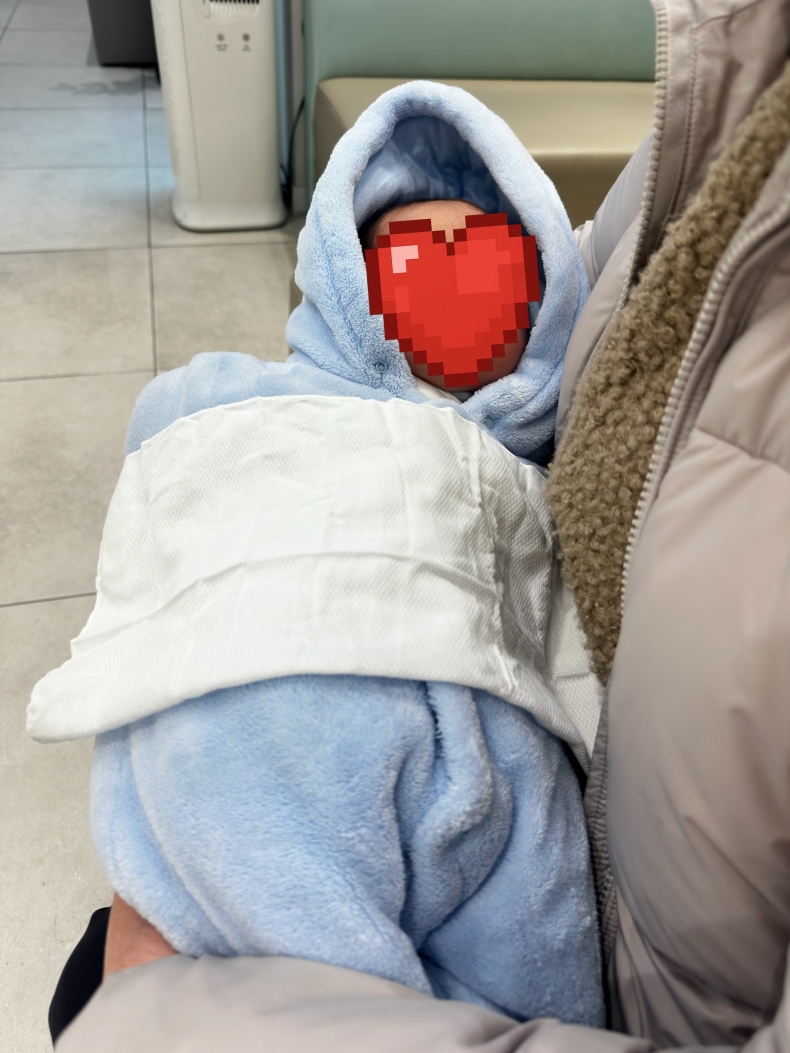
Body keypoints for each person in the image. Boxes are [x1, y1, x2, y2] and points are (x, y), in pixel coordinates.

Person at [33, 80, 610, 1034]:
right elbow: (169, 437)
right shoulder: (238, 395)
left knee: (511, 894)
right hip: (225, 703)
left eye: (488, 262)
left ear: (541, 312)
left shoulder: (519, 468)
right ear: (347, 282)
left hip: (432, 729)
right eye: (412, 257)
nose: (453, 279)